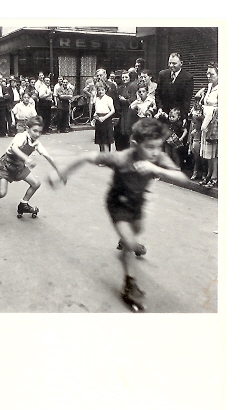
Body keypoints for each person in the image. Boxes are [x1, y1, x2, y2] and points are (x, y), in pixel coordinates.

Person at [48, 118, 188, 311]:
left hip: (138, 202)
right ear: (134, 145)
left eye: (158, 146)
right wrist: (61, 173)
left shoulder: (159, 158)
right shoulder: (121, 158)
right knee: (130, 243)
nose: (155, 152)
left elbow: (183, 178)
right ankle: (129, 283)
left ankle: (129, 245)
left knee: (138, 230)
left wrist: (156, 169)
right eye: (150, 147)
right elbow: (86, 157)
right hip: (118, 202)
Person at [0, 115, 65, 222]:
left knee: (36, 184)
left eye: (40, 132)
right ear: (28, 129)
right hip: (6, 165)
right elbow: (14, 148)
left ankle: (23, 204)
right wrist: (26, 159)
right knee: (1, 193)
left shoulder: (36, 144)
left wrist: (59, 171)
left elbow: (48, 157)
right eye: (35, 130)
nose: (37, 134)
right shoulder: (21, 136)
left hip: (19, 167)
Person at [196, 62, 218, 188]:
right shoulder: (209, 86)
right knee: (207, 152)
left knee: (213, 152)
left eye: (212, 74)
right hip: (205, 121)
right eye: (207, 73)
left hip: (213, 123)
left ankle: (214, 177)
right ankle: (209, 174)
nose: (209, 76)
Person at [155, 52, 194, 121]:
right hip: (163, 114)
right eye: (169, 63)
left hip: (177, 116)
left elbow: (186, 100)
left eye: (174, 63)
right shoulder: (163, 74)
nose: (171, 65)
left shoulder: (187, 78)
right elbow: (158, 93)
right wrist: (160, 108)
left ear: (181, 63)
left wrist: (183, 116)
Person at [115, 70, 138, 150]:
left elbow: (134, 99)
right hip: (124, 111)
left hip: (130, 111)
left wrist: (124, 100)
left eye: (126, 77)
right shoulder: (123, 87)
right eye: (123, 77)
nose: (124, 79)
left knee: (129, 130)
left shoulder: (132, 86)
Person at [92, 83, 115, 152]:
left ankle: (107, 157)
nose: (100, 92)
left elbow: (113, 110)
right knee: (100, 141)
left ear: (105, 90)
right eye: (99, 90)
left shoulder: (108, 99)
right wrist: (94, 118)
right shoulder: (96, 99)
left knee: (106, 141)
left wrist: (104, 118)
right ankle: (102, 156)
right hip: (99, 120)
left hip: (106, 120)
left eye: (102, 90)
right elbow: (96, 110)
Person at [187, 96, 204, 180]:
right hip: (194, 141)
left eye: (198, 101)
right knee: (196, 159)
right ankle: (195, 172)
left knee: (202, 160)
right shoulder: (193, 109)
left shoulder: (202, 109)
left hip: (199, 125)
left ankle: (202, 174)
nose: (197, 103)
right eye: (196, 101)